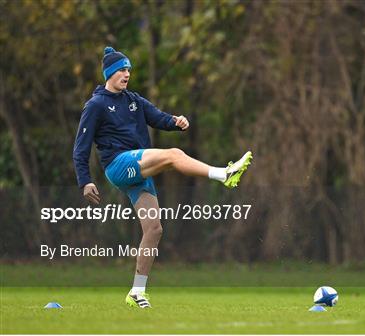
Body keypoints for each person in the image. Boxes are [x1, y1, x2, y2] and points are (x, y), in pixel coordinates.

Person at [73, 47, 252, 308]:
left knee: (154, 229)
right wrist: (85, 180)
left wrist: (175, 121)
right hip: (118, 165)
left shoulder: (133, 99)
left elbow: (158, 117)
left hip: (138, 167)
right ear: (110, 73)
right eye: (122, 69)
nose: (127, 74)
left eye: (129, 70)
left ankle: (136, 292)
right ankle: (223, 174)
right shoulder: (96, 105)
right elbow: (80, 146)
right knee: (173, 155)